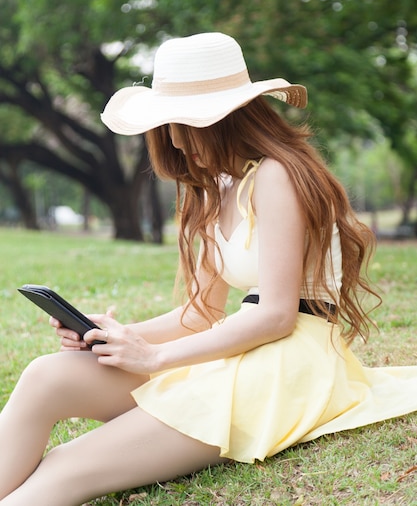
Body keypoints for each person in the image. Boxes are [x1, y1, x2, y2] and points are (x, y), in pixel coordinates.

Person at [1, 32, 417, 506]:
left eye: (183, 124)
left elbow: (277, 315)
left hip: (286, 361)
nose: (175, 139)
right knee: (43, 376)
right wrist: (117, 334)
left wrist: (155, 359)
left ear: (226, 119)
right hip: (235, 346)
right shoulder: (217, 186)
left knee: (64, 468)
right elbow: (198, 315)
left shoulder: (279, 175)